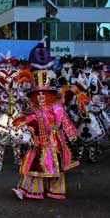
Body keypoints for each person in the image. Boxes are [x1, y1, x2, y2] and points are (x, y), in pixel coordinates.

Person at [11, 69, 79, 200]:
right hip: (41, 142)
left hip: (57, 141)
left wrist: (72, 134)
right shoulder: (33, 109)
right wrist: (24, 128)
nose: (41, 96)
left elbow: (65, 122)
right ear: (34, 96)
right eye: (38, 94)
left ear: (49, 94)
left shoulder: (57, 108)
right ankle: (27, 190)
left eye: (43, 94)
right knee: (36, 166)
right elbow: (27, 121)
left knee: (57, 167)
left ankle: (55, 191)